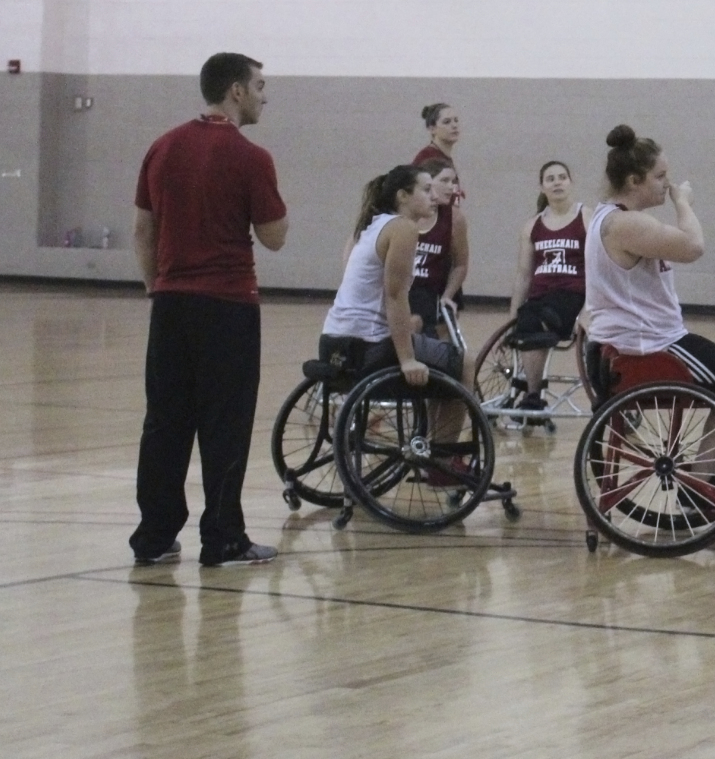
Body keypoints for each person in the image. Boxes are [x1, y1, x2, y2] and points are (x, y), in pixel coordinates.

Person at [584, 124, 715, 524]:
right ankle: (698, 483)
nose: (668, 184)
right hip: (646, 350)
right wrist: (685, 204)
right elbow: (693, 246)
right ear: (633, 180)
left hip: (638, 343)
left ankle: (702, 477)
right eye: (660, 177)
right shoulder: (626, 224)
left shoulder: (610, 218)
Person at [129, 52, 289, 569]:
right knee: (225, 425)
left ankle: (154, 536)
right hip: (227, 306)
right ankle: (222, 538)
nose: (266, 95)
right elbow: (274, 238)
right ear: (236, 91)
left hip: (171, 305)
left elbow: (142, 230)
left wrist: (159, 287)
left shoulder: (163, 146)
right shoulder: (251, 157)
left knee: (165, 423)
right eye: (260, 85)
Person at [321, 166, 466, 386]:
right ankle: (438, 422)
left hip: (332, 340)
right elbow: (395, 296)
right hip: (366, 345)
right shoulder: (403, 228)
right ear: (402, 196)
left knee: (417, 328)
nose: (434, 196)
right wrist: (407, 360)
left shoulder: (373, 224)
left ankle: (428, 419)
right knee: (466, 363)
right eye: (427, 190)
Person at [506, 160, 585, 412]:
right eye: (550, 179)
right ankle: (532, 395)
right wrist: (511, 317)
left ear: (571, 182)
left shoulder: (587, 217)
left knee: (540, 317)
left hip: (574, 294)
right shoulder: (532, 225)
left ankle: (532, 392)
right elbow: (523, 275)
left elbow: (599, 268)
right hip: (541, 298)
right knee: (527, 319)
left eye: (562, 176)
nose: (557, 182)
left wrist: (591, 308)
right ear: (542, 187)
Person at [408, 157, 469, 338]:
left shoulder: (454, 218)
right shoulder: (404, 213)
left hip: (430, 291)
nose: (452, 187)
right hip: (402, 287)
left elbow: (460, 265)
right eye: (445, 181)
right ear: (427, 183)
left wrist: (448, 295)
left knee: (418, 320)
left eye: (454, 181)